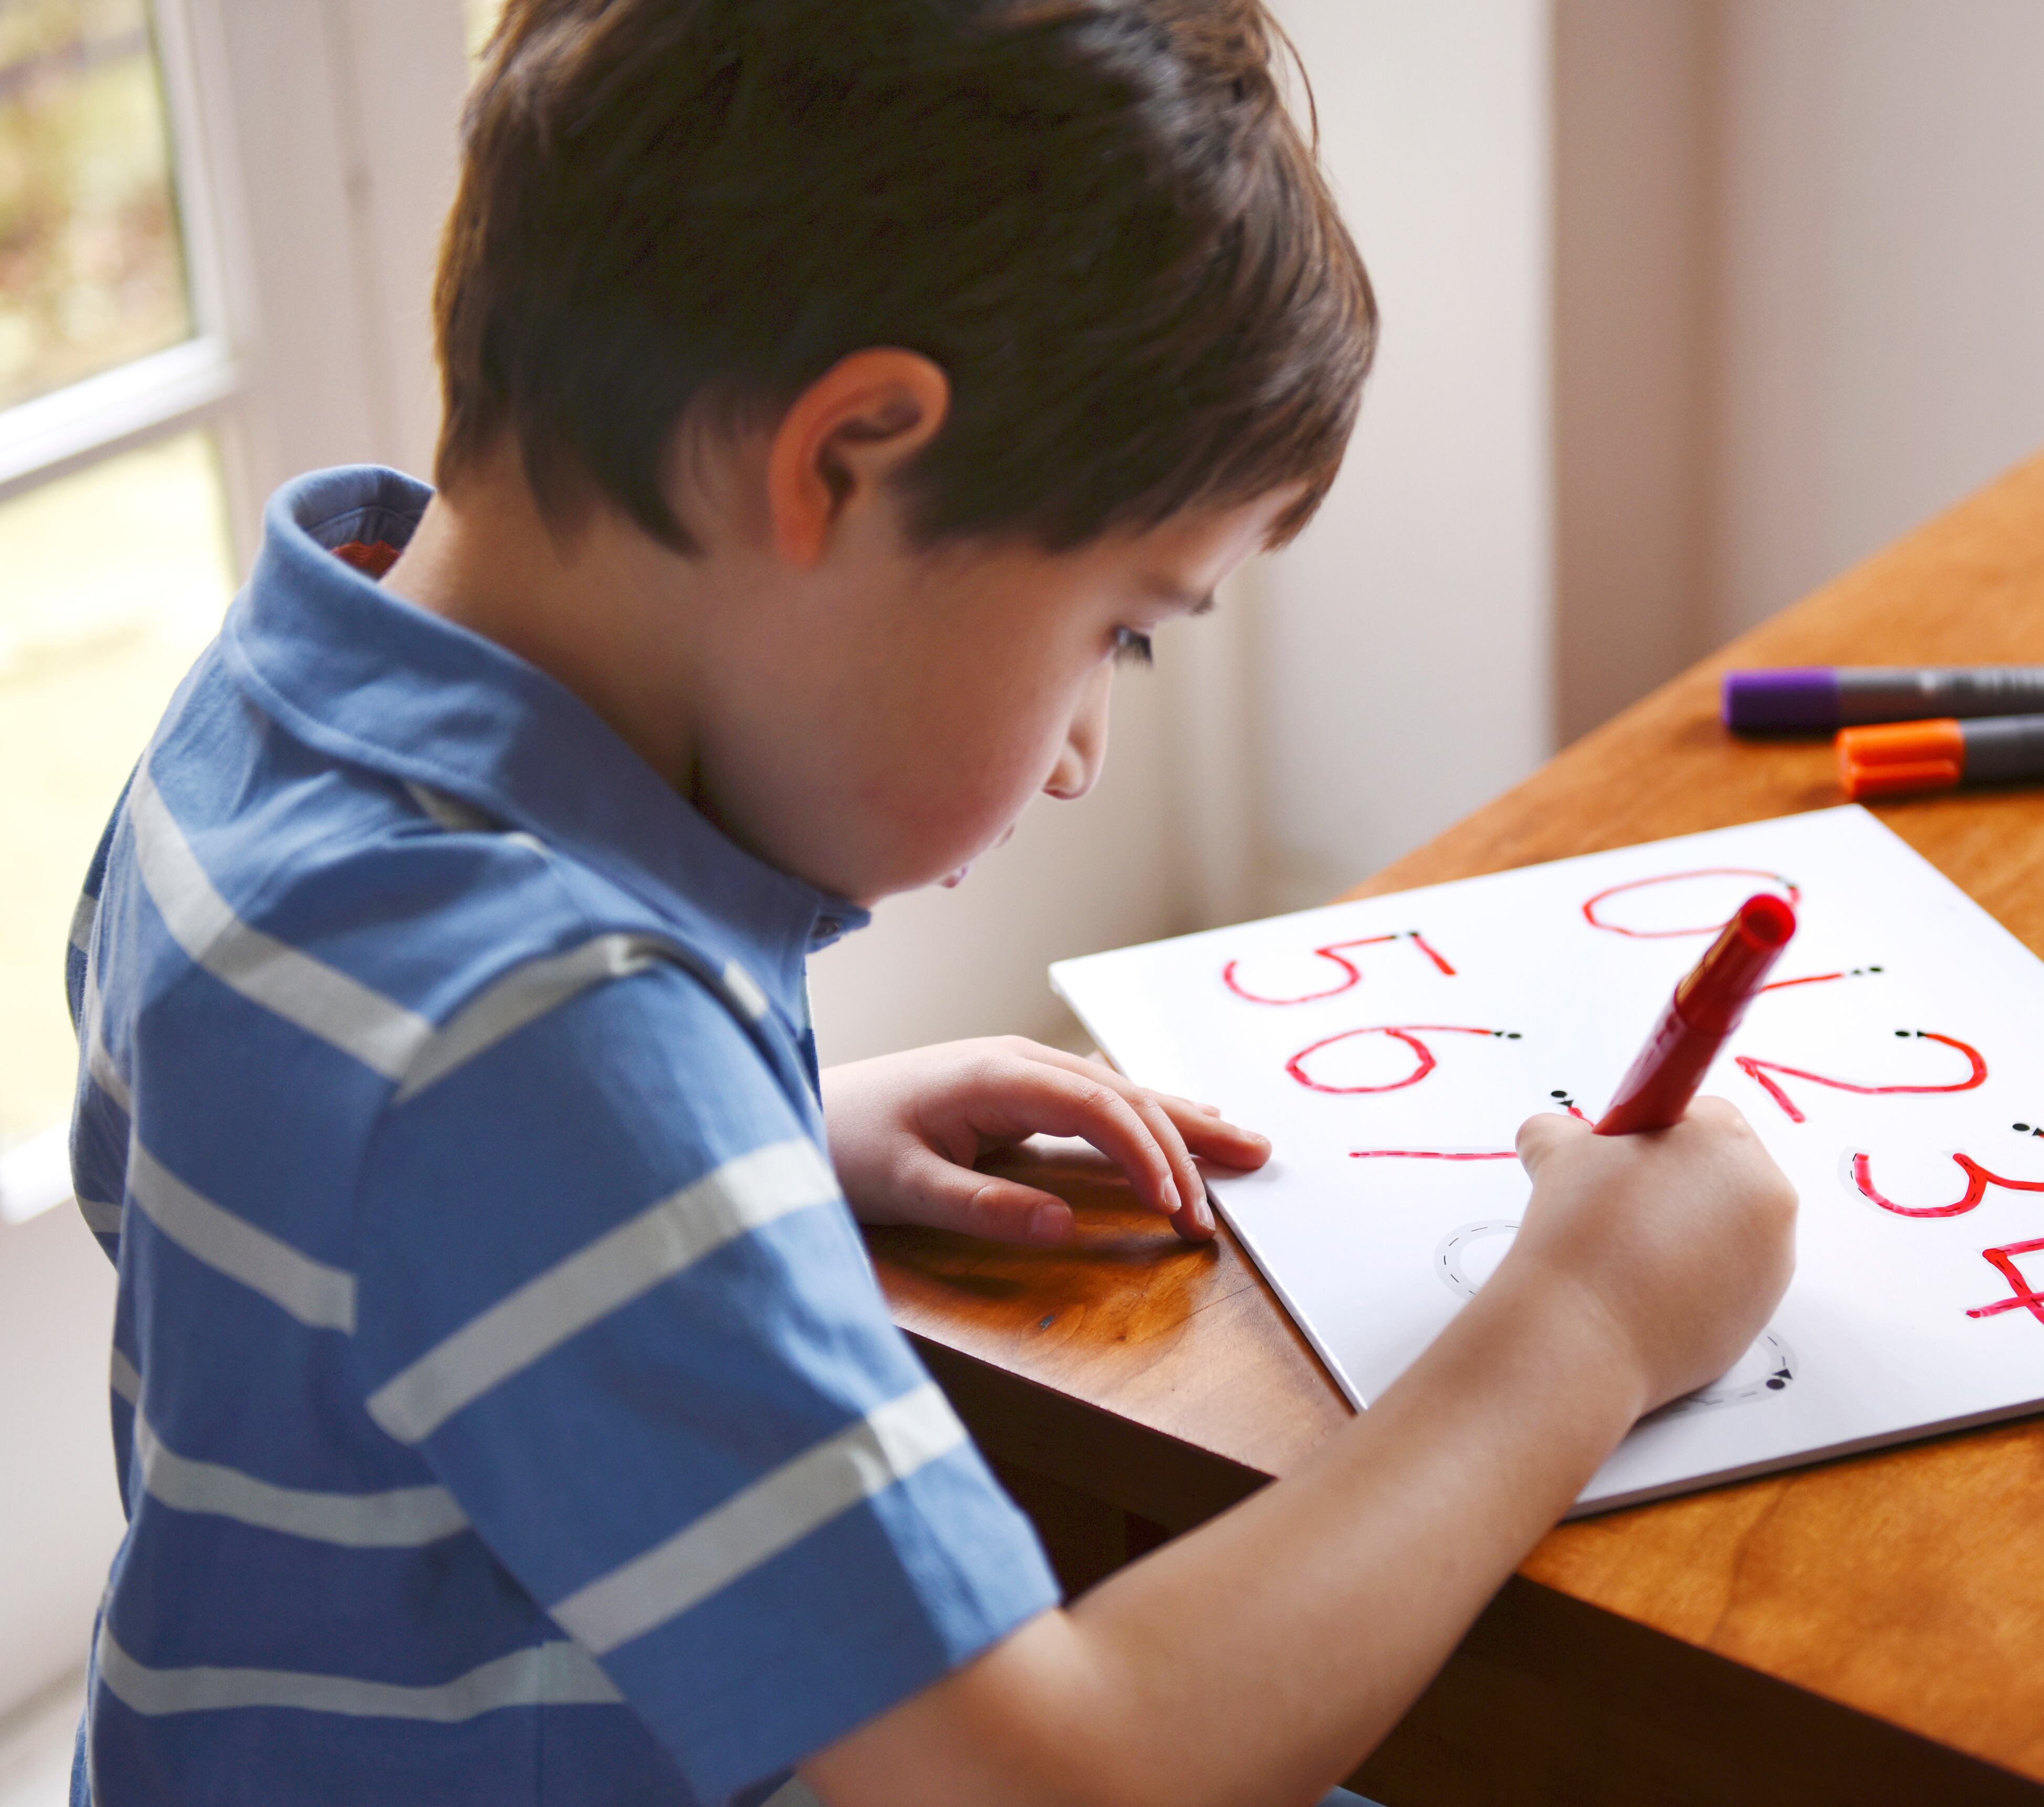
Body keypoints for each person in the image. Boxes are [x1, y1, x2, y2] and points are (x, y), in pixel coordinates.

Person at [61, 3, 1798, 1802]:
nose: (1080, 758)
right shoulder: (540, 1043)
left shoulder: (278, 711)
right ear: (844, 462)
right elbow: (1057, 1778)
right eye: (1115, 625)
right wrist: (1580, 1326)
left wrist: (750, 1138)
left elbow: (308, 1223)